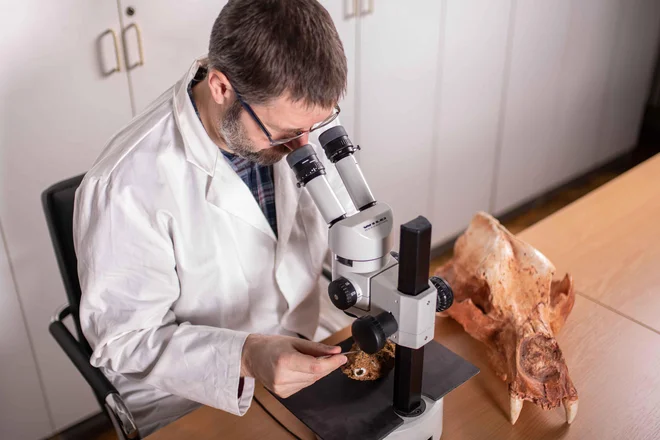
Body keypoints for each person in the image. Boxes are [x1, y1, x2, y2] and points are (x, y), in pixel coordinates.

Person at [73, 0, 354, 435]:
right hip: (192, 396)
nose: (301, 146)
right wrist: (245, 354)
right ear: (221, 87)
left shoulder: (284, 118)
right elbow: (124, 342)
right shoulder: (125, 185)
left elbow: (338, 217)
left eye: (312, 129)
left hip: (307, 341)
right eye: (284, 135)